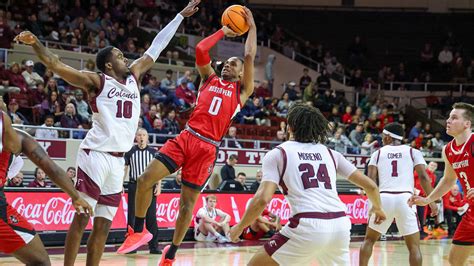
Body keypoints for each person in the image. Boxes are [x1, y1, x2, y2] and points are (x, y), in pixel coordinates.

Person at [14, 2, 200, 264]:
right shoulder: (97, 81)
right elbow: (56, 64)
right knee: (81, 218)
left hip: (117, 161)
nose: (124, 57)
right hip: (96, 155)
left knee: (103, 227)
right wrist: (35, 44)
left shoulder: (134, 75)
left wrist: (180, 15)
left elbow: (156, 47)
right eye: (119, 56)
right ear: (108, 65)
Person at [118, 8, 257, 266]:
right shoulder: (209, 78)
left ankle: (171, 253)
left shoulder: (242, 92)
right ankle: (137, 230)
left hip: (207, 149)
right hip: (186, 137)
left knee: (186, 205)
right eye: (227, 63)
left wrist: (252, 26)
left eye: (233, 65)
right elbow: (201, 51)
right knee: (144, 179)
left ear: (240, 74)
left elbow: (249, 55)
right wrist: (222, 32)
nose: (228, 65)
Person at [229, 103, 386, 265]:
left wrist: (240, 227)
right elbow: (371, 186)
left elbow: (262, 199)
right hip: (340, 224)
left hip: (307, 225)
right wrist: (378, 208)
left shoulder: (278, 153)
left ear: (289, 127)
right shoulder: (331, 153)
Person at [0, 107, 92, 265]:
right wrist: (75, 197)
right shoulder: (14, 134)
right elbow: (51, 168)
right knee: (41, 262)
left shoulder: (19, 138)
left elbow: (52, 169)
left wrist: (76, 196)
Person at [359, 122, 438, 266]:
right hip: (406, 200)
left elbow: (370, 182)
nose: (382, 139)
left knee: (369, 241)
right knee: (414, 247)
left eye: (383, 136)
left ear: (389, 137)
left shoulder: (377, 153)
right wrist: (432, 201)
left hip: (383, 199)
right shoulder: (413, 152)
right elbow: (424, 178)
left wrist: (374, 205)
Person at [409, 102, 474, 266]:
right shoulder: (448, 150)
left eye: (454, 118)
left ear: (467, 124)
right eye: (449, 117)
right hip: (472, 210)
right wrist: (428, 199)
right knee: (454, 260)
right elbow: (448, 180)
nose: (448, 121)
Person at [123, 128, 161, 254]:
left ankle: (154, 246)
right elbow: (125, 169)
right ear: (136, 137)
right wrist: (120, 184)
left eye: (144, 135)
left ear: (147, 137)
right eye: (139, 135)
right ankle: (132, 246)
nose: (141, 137)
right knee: (133, 216)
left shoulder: (153, 152)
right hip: (134, 185)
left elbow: (158, 170)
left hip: (150, 186)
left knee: (151, 216)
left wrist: (159, 185)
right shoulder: (130, 151)